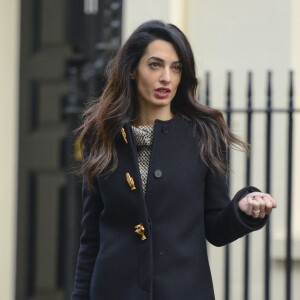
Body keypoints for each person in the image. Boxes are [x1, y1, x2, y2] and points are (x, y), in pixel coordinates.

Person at [71, 20, 276, 300]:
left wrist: (242, 210)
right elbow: (91, 240)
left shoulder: (204, 134)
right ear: (132, 70)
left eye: (176, 67)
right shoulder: (103, 136)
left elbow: (215, 228)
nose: (166, 77)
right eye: (155, 65)